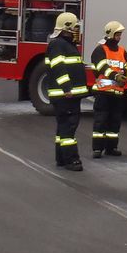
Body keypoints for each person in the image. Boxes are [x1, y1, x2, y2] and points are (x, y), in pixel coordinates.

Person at [46, 11, 89, 171]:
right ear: (66, 28)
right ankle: (72, 160)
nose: (77, 30)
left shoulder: (65, 44)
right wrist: (67, 88)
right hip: (65, 96)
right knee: (68, 128)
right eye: (75, 27)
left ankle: (61, 158)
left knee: (63, 127)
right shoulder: (58, 44)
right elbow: (58, 67)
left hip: (67, 95)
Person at [89, 20, 127, 158]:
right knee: (101, 120)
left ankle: (111, 147)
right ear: (111, 34)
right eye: (118, 34)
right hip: (103, 92)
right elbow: (101, 67)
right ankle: (97, 149)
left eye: (120, 34)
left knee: (115, 121)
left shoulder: (123, 51)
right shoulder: (100, 50)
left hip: (118, 92)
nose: (119, 37)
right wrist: (116, 76)